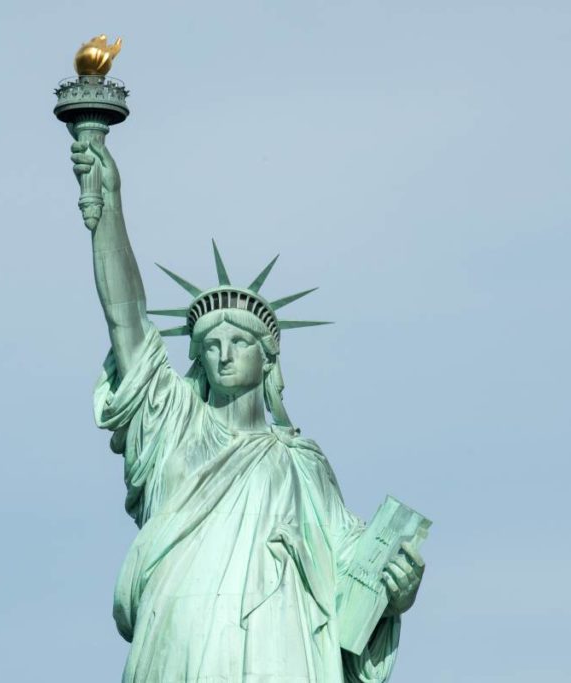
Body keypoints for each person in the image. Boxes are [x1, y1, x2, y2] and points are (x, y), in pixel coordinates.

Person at [70, 137, 425, 682]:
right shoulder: (172, 426)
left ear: (269, 357)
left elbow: (352, 574)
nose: (224, 354)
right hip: (183, 633)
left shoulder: (303, 463)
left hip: (280, 644)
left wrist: (395, 591)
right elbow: (127, 323)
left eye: (240, 342)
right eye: (210, 345)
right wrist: (109, 210)